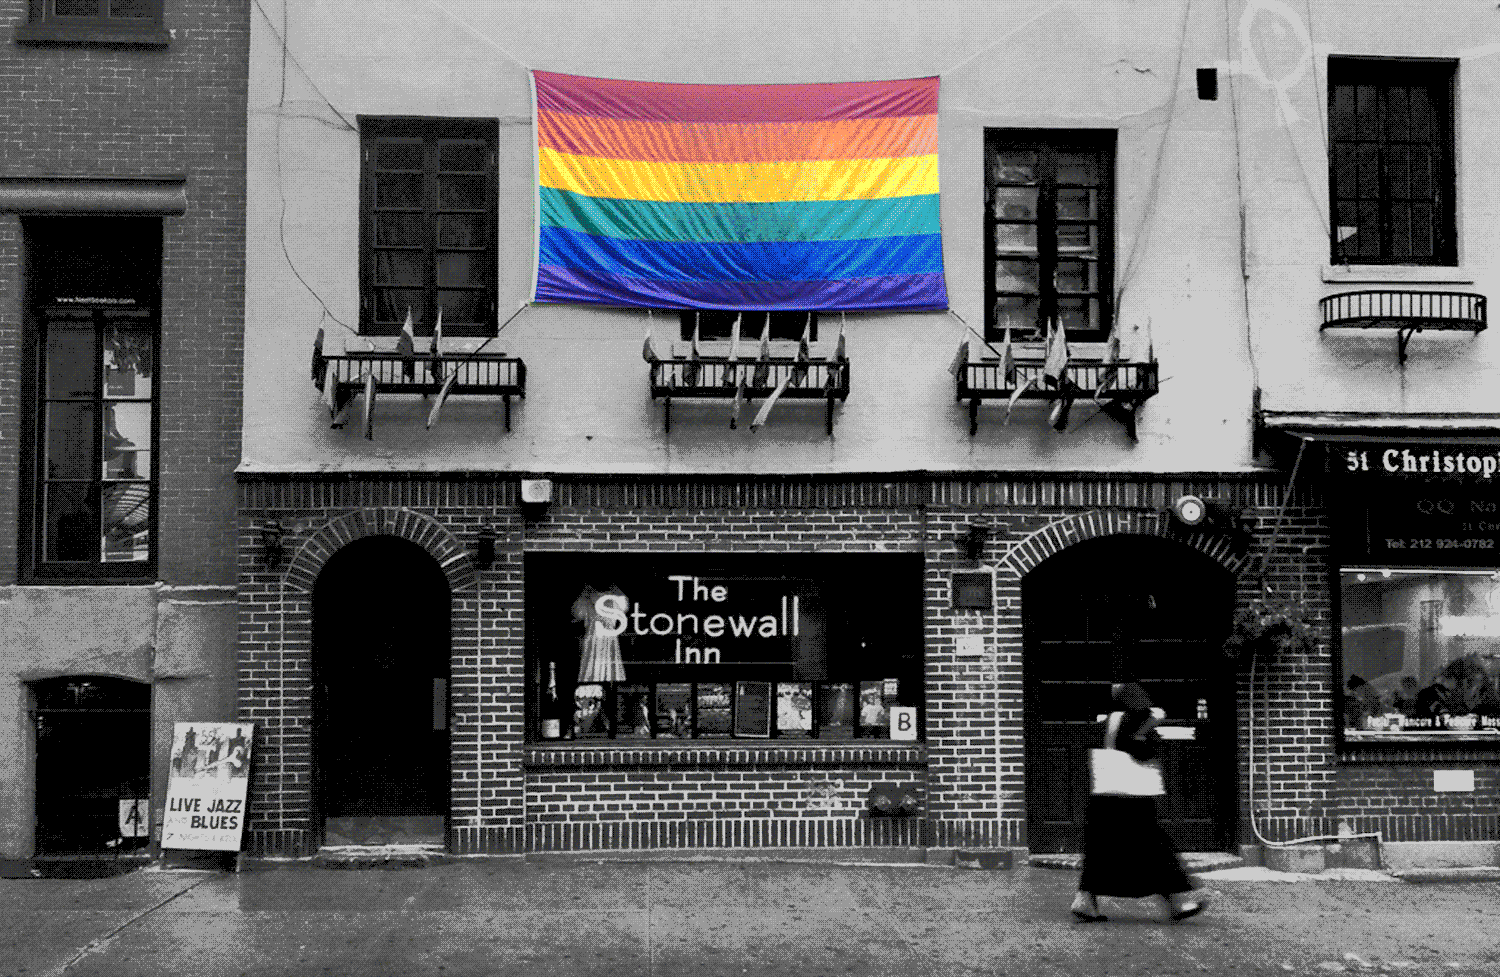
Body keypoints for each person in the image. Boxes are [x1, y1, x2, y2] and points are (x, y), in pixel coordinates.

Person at [1070, 681, 1206, 923]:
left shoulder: (1106, 724)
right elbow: (1142, 751)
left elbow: (1088, 748)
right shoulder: (1140, 721)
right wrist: (1151, 727)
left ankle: (1085, 901)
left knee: (1101, 849)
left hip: (1103, 798)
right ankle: (1176, 902)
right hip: (1136, 800)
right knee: (1155, 848)